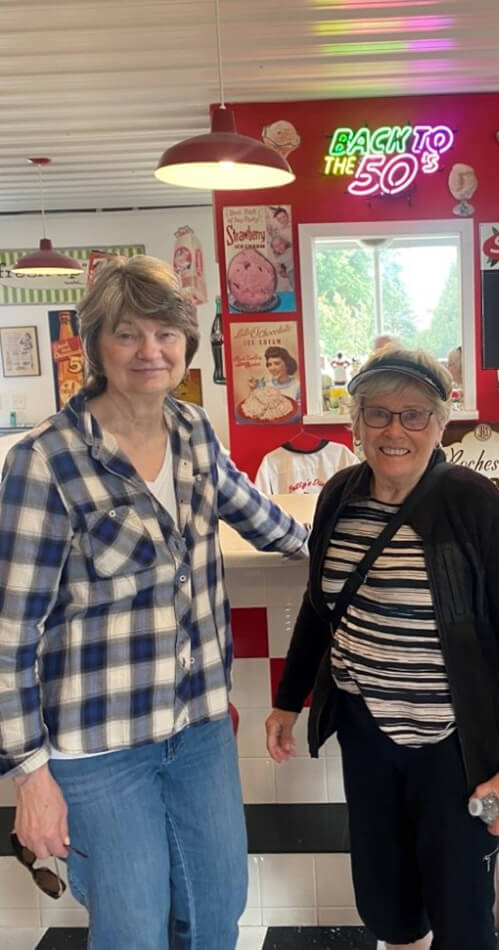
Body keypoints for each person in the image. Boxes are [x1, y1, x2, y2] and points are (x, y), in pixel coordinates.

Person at [0, 255, 308, 949]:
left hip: (198, 727)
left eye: (166, 333)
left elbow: (264, 519)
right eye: (128, 334)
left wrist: (352, 548)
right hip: (99, 745)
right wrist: (29, 776)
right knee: (134, 926)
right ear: (95, 346)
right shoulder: (44, 462)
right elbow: (9, 635)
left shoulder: (194, 431)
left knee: (216, 909)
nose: (151, 351)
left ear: (187, 344)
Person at [266, 344, 499, 950]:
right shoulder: (340, 495)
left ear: (441, 421)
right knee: (387, 905)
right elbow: (322, 607)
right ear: (356, 422)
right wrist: (288, 699)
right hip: (365, 734)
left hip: (452, 746)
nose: (394, 430)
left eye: (414, 414)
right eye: (378, 413)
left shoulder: (472, 502)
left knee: (462, 913)